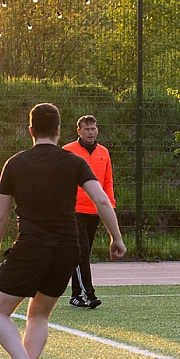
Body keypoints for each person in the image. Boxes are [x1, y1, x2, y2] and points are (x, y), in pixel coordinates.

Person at [0, 102, 126, 359]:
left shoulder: (16, 163)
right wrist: (116, 237)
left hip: (32, 247)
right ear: (60, 130)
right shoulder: (73, 161)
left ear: (31, 130)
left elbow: (0, 213)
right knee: (38, 316)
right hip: (67, 248)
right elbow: (101, 199)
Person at [63, 114, 115, 309]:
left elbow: (107, 181)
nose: (90, 132)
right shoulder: (68, 151)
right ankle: (89, 294)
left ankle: (75, 296)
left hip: (95, 210)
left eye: (93, 128)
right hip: (73, 210)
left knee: (83, 254)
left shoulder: (104, 152)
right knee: (81, 252)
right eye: (86, 129)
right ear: (79, 131)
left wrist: (109, 205)